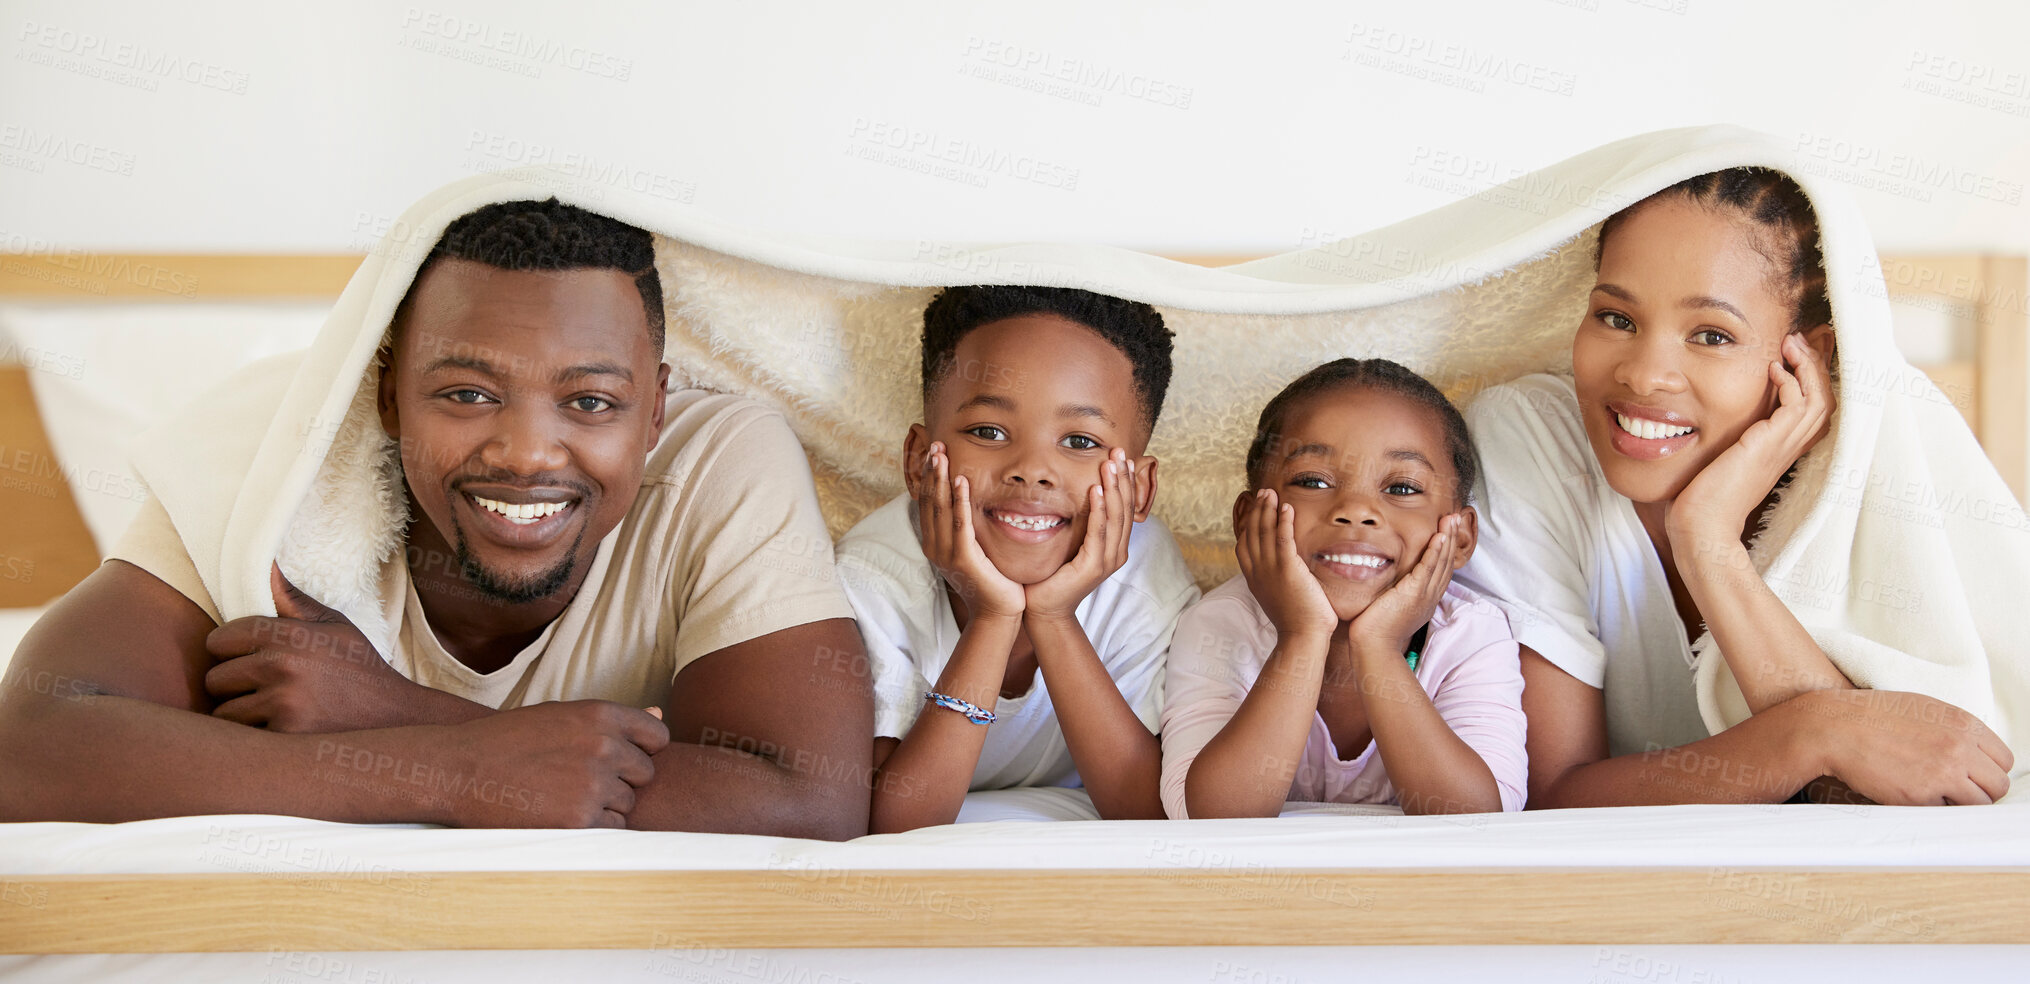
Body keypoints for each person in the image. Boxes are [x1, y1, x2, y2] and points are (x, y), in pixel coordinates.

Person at [0, 199, 875, 837]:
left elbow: (808, 797)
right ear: (384, 392)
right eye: (467, 392)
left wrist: (397, 717)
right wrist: (449, 776)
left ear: (654, 413)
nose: (530, 452)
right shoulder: (282, 455)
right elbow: (29, 745)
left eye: (592, 401)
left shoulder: (719, 460)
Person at [1456, 168, 2014, 808]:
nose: (1644, 376)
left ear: (1809, 357)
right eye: (1615, 317)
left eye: (1712, 335)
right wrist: (1812, 732)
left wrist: (1706, 542)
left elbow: (1893, 794)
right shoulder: (1531, 437)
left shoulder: (1875, 469)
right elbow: (1550, 791)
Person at [838, 285, 1198, 831]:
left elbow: (1147, 810)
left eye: (1080, 442)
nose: (1031, 469)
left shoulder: (1142, 576)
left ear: (1141, 489)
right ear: (916, 460)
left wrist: (1052, 618)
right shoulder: (873, 578)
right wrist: (994, 618)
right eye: (988, 431)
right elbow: (894, 825)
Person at [1161, 358, 1526, 818]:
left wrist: (1379, 648)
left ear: (1462, 538)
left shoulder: (1471, 635)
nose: (1356, 510)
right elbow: (1211, 818)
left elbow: (1480, 820)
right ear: (1248, 519)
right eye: (1313, 481)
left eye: (1403, 488)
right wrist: (1302, 636)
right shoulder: (1220, 625)